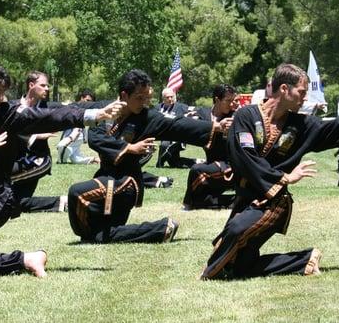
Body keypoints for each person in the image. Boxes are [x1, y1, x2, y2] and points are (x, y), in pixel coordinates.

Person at [200, 63, 339, 280]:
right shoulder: (246, 116)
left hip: (273, 201)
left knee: (235, 232)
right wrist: (283, 175)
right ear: (284, 89)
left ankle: (207, 275)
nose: (305, 98)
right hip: (246, 199)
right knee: (238, 267)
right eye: (301, 92)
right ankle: (305, 260)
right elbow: (244, 156)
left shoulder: (301, 124)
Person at [0, 62, 123, 278]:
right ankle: (26, 259)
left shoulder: (5, 115)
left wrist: (95, 114)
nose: (1, 97)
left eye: (3, 92)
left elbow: (49, 117)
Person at [67, 69, 223, 244]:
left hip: (126, 183)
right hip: (106, 178)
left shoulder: (148, 117)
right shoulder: (105, 109)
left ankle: (91, 236)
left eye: (147, 98)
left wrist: (214, 127)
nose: (144, 103)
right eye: (140, 98)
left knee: (76, 193)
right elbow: (95, 138)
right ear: (124, 95)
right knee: (103, 234)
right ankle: (161, 228)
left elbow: (177, 125)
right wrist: (129, 147)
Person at [11, 71, 67, 213]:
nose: (47, 89)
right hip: (18, 161)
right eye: (43, 85)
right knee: (16, 203)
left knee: (3, 175)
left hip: (39, 161)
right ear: (31, 85)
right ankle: (62, 203)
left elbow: (74, 109)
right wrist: (35, 135)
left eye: (47, 86)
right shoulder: (13, 107)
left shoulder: (49, 107)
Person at [182, 84, 239, 210]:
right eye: (228, 101)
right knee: (200, 200)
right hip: (212, 166)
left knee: (196, 170)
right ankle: (233, 201)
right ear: (217, 99)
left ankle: (187, 204)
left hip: (231, 167)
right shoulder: (203, 113)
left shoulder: (234, 116)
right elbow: (186, 122)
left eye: (233, 100)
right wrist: (216, 126)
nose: (231, 104)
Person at [154, 87, 196, 168]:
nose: (170, 99)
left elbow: (194, 110)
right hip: (163, 134)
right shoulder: (157, 108)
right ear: (163, 98)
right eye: (167, 97)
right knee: (174, 163)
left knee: (164, 145)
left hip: (177, 136)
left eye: (172, 97)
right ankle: (197, 162)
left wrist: (191, 114)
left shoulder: (180, 107)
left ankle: (159, 163)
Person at [56, 89, 100, 165]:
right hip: (73, 133)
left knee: (61, 149)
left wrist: (73, 135)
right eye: (87, 100)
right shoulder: (74, 106)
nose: (88, 103)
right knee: (76, 160)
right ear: (81, 98)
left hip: (75, 134)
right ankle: (94, 159)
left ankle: (62, 158)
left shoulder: (85, 109)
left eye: (90, 102)